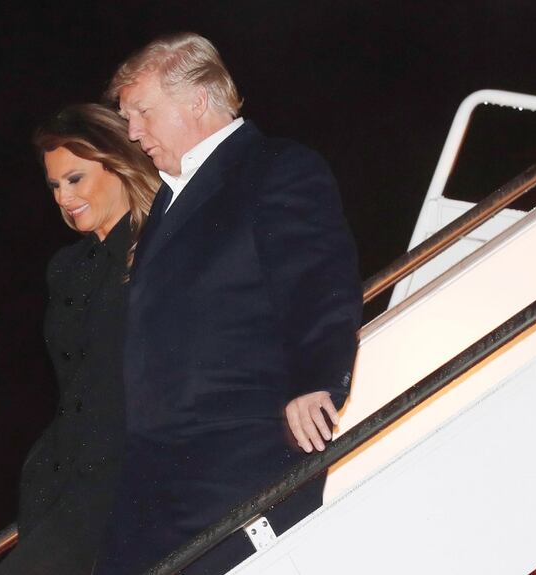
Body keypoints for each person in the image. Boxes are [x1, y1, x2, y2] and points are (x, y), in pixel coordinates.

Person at [95, 33, 363, 574]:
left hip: (238, 453)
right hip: (156, 471)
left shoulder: (274, 167)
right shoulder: (167, 201)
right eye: (127, 118)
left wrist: (317, 379)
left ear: (197, 99)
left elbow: (318, 280)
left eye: (143, 112)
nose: (133, 132)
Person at [0, 104, 159, 574]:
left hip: (124, 472)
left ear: (117, 164)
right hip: (61, 478)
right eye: (54, 186)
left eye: (75, 179)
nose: (64, 198)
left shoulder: (160, 244)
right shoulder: (66, 268)